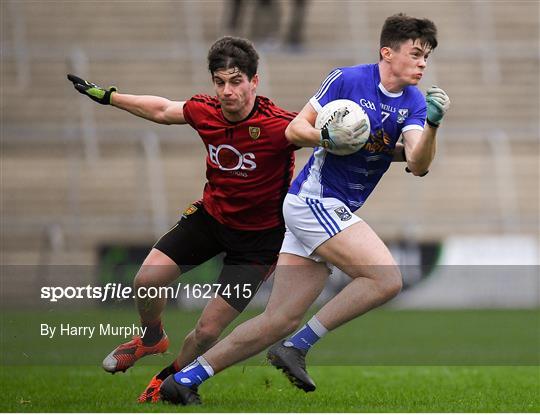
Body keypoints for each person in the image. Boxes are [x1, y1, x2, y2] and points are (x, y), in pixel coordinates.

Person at [157, 13, 451, 405]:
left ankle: (185, 380)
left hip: (326, 211)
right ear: (387, 52)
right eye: (416, 54)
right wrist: (330, 138)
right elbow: (295, 130)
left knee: (277, 320)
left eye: (426, 57)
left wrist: (431, 125)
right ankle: (296, 348)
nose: (422, 63)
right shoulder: (348, 79)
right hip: (313, 201)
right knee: (386, 279)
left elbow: (419, 164)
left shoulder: (414, 102)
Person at [67, 36, 305, 403]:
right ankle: (150, 338)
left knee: (208, 332)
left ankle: (171, 379)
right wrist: (108, 96)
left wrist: (397, 148)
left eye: (236, 81)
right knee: (146, 280)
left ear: (254, 81)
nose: (227, 91)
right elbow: (163, 110)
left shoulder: (281, 126)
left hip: (258, 243)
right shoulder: (203, 110)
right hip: (210, 218)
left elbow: (327, 136)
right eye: (220, 81)